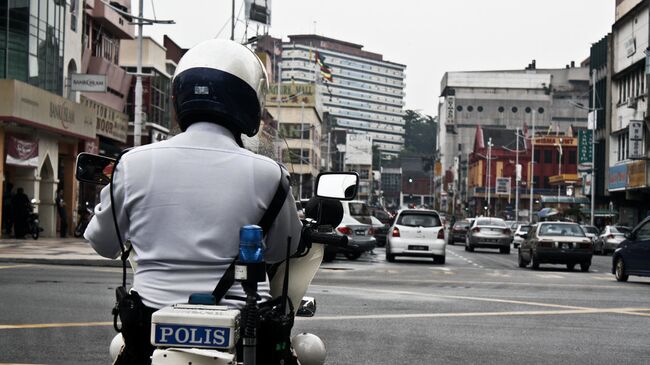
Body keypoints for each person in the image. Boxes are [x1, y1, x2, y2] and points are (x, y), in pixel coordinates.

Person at [84, 39, 302, 364]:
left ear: (179, 97)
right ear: (249, 102)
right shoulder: (269, 173)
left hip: (148, 326)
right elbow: (282, 248)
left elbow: (103, 244)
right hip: (245, 328)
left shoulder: (131, 163)